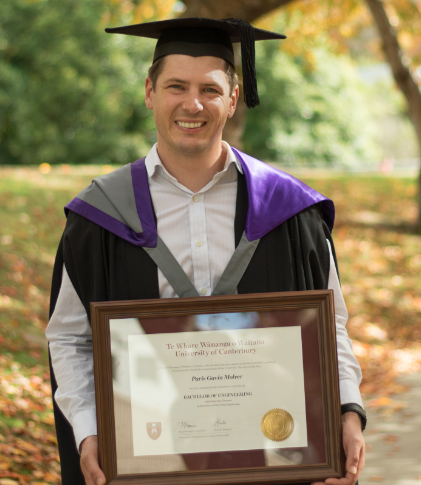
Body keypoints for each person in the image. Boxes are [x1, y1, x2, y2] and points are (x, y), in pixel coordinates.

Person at [46, 17, 366, 485]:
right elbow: (70, 338)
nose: (192, 104)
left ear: (233, 99)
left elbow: (329, 324)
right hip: (148, 460)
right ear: (150, 91)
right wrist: (89, 429)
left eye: (210, 90)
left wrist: (347, 409)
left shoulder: (291, 211)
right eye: (176, 86)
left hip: (272, 459)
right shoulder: (100, 216)